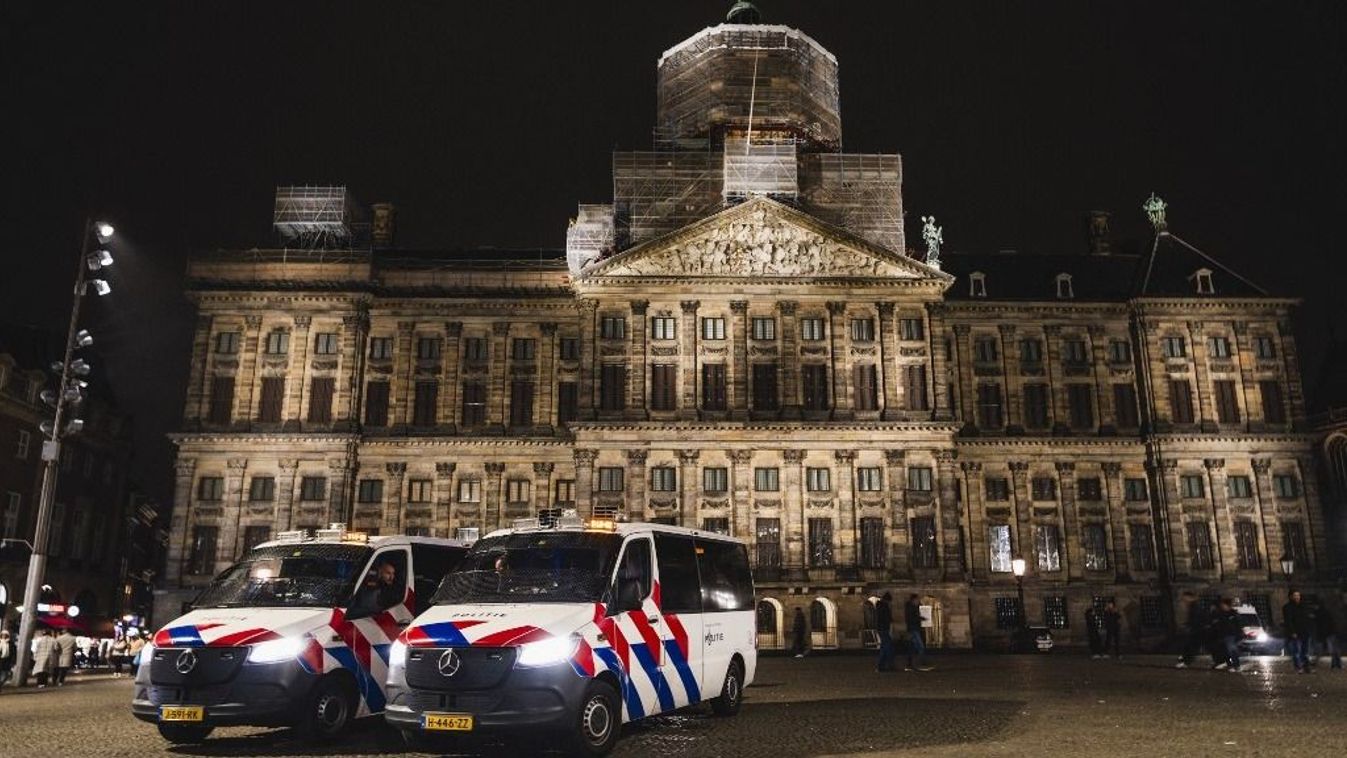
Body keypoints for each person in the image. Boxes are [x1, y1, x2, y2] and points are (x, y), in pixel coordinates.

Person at [1283, 590, 1313, 673]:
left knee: (1306, 651)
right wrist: (1292, 632)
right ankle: (1298, 667)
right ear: (1291, 597)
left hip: (1305, 631)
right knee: (1296, 651)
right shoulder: (1287, 607)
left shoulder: (1303, 606)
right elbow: (1288, 621)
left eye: (1298, 595)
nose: (1297, 597)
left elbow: (1307, 618)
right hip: (1295, 632)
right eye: (1295, 595)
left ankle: (1306, 667)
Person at [1176, 591, 1206, 668]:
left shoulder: (1195, 606)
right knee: (1189, 646)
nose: (1184, 600)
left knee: (1191, 646)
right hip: (1195, 629)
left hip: (1196, 630)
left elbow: (1195, 618)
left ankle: (1186, 662)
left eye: (1185, 598)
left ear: (1190, 597)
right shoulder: (1192, 606)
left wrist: (1190, 626)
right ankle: (1185, 660)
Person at [1212, 597, 1242, 672]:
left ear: (1227, 605)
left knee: (1232, 650)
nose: (1222, 606)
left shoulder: (1233, 613)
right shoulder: (1221, 613)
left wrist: (1239, 634)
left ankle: (1236, 666)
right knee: (1225, 651)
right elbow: (1218, 624)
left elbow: (1238, 625)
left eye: (1223, 605)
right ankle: (1230, 664)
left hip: (1231, 635)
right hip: (1223, 635)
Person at [905, 594, 932, 671]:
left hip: (913, 629)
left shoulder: (911, 607)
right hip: (913, 629)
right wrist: (921, 618)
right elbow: (912, 618)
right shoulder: (911, 608)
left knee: (912, 647)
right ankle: (920, 663)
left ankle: (910, 664)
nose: (918, 601)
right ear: (913, 600)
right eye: (917, 600)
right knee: (920, 647)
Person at [1314, 603, 1341, 671]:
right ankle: (1336, 664)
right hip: (1332, 632)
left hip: (1329, 633)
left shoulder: (1322, 614)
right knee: (1334, 649)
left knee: (1332, 649)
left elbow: (1324, 625)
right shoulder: (1328, 613)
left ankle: (1335, 664)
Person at [875, 592, 896, 672]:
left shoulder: (880, 606)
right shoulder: (883, 606)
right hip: (883, 629)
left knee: (884, 648)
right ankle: (890, 665)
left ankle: (881, 666)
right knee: (888, 647)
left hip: (882, 629)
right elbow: (886, 618)